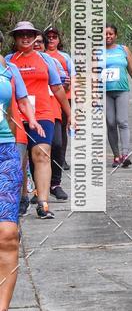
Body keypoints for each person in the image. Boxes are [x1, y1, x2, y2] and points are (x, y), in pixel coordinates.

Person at [0, 49, 45, 311]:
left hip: (4, 152)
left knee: (8, 234)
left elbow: (12, 107)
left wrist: (30, 122)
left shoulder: (8, 70)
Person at [6, 21, 71, 219]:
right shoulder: (8, 61)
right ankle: (22, 197)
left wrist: (69, 113)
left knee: (41, 154)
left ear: (35, 37)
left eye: (29, 34)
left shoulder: (45, 59)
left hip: (42, 114)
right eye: (21, 35)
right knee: (19, 159)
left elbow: (57, 88)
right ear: (15, 38)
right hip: (16, 116)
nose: (25, 38)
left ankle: (43, 203)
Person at [32, 32, 69, 201]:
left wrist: (69, 112)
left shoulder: (52, 61)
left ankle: (55, 184)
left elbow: (63, 84)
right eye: (34, 42)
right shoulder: (16, 60)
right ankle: (38, 188)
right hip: (30, 111)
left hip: (52, 108)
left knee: (57, 144)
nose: (36, 44)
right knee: (34, 150)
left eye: (40, 42)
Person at [101, 25, 132, 168]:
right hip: (105, 92)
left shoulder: (123, 50)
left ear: (116, 35)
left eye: (111, 34)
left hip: (122, 90)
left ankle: (125, 154)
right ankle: (116, 156)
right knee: (110, 123)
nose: (108, 36)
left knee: (122, 121)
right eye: (105, 34)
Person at [44, 27, 73, 175]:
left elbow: (73, 75)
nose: (51, 39)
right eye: (48, 37)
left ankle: (61, 158)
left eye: (54, 37)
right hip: (47, 98)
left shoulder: (64, 56)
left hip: (65, 96)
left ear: (58, 40)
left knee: (62, 129)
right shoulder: (41, 55)